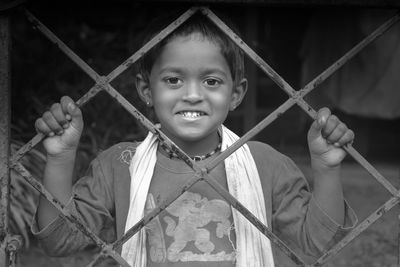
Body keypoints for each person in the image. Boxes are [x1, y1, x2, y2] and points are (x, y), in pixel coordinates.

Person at [31, 13, 357, 267]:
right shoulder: (120, 165)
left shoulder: (264, 163)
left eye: (211, 81)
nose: (192, 95)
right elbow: (59, 241)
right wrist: (60, 159)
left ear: (236, 93)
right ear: (147, 91)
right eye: (173, 80)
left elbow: (315, 241)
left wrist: (326, 169)